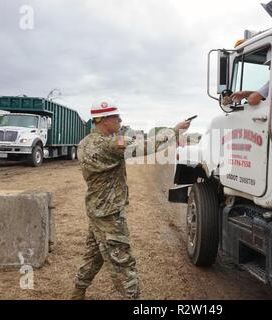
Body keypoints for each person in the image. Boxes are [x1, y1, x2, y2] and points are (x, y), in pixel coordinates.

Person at [70, 99, 190, 300]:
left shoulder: (84, 143)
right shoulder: (109, 144)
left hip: (96, 209)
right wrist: (175, 130)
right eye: (116, 117)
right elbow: (148, 146)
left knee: (94, 254)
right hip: (108, 214)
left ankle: (77, 292)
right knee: (123, 262)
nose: (120, 120)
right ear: (103, 120)